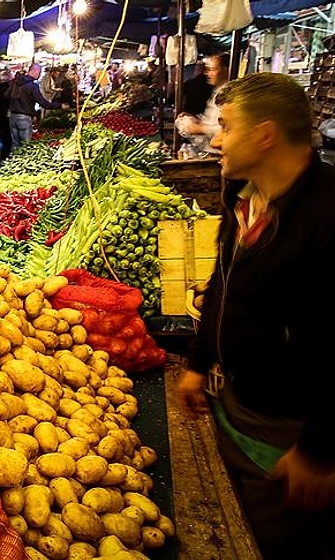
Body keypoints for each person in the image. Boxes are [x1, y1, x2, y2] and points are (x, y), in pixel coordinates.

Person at [177, 73, 335, 560]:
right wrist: (199, 363)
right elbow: (224, 284)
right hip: (241, 404)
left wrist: (317, 451)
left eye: (224, 126)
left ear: (264, 135)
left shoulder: (327, 213)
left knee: (282, 540)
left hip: (294, 433)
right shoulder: (245, 197)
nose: (215, 139)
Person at [9, 63, 67, 151]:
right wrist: (60, 105)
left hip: (12, 117)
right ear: (35, 71)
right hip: (24, 118)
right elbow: (43, 103)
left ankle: (12, 161)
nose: (39, 75)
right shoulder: (32, 86)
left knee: (15, 144)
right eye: (39, 72)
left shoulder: (16, 83)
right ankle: (22, 162)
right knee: (25, 145)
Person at [178, 54, 230, 152]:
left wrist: (199, 129)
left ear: (226, 70)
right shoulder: (218, 90)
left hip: (220, 152)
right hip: (209, 149)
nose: (207, 73)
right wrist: (196, 119)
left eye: (212, 69)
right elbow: (213, 121)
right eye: (207, 69)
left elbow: (228, 129)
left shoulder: (230, 95)